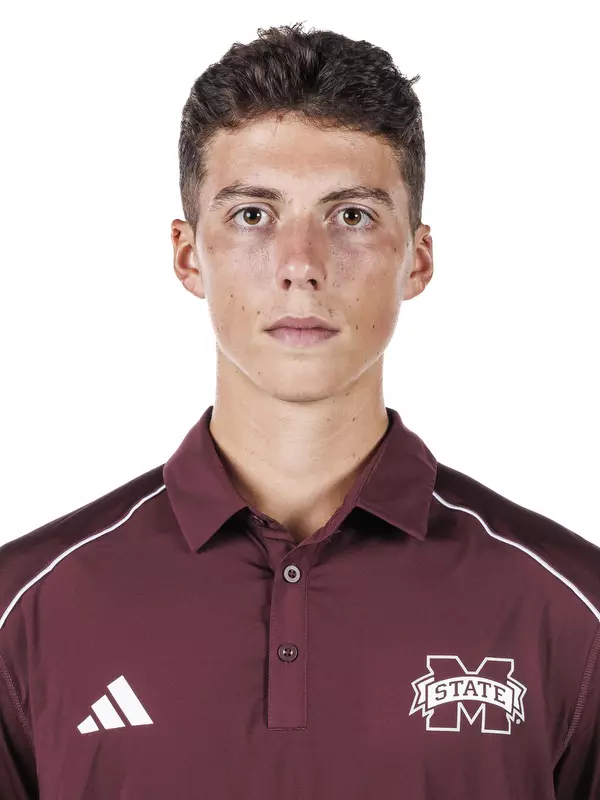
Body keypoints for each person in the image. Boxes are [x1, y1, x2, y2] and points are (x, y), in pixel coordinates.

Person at [1, 21, 598, 800]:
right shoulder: (31, 608)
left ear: (416, 257)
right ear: (189, 255)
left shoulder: (567, 609)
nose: (300, 267)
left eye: (350, 215)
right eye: (253, 214)